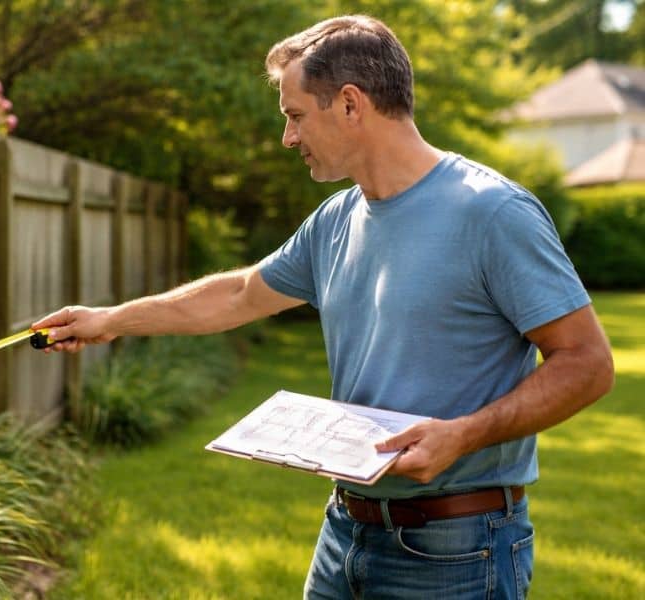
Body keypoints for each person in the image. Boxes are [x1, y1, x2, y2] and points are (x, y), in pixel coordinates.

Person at [32, 14, 614, 600]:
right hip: (345, 532)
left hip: (459, 547)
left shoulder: (492, 213)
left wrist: (463, 435)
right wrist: (109, 321)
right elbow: (239, 293)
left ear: (351, 104)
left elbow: (587, 363)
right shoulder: (337, 220)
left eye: (294, 115)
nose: (287, 137)